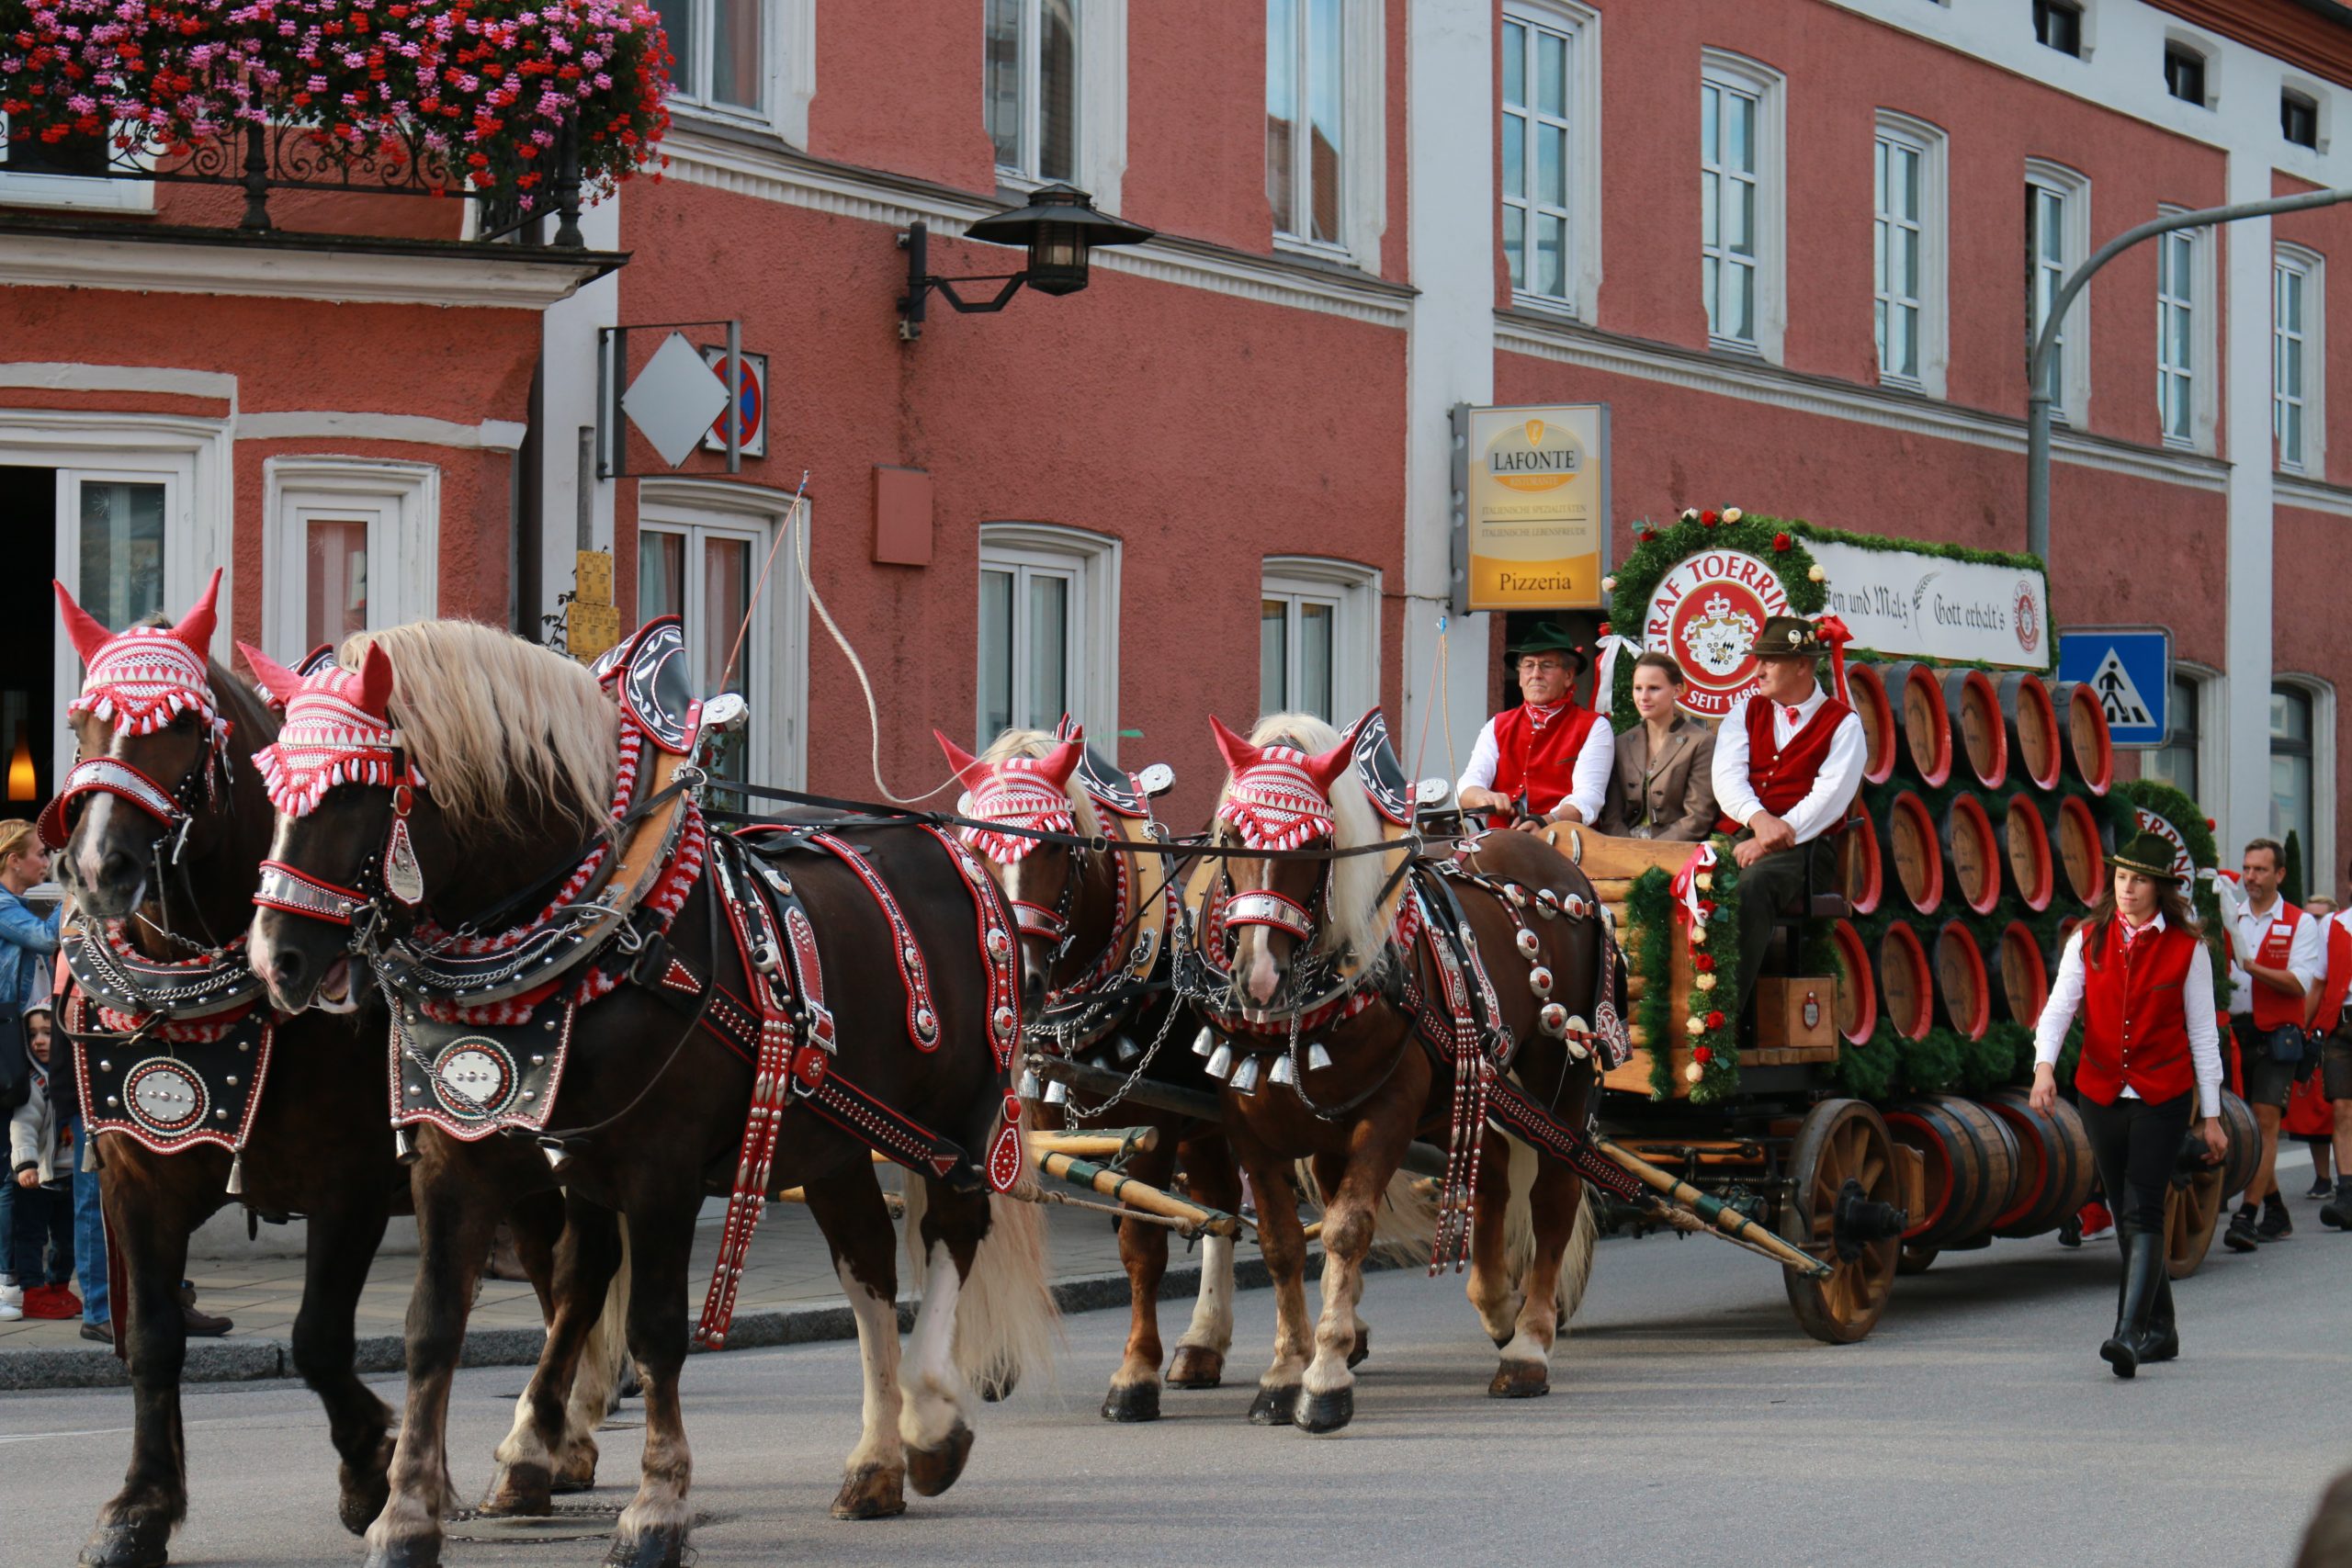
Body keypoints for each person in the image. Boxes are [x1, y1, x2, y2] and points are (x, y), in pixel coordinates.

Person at [2029, 833, 2225, 1378]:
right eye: (2121, 878)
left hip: (2162, 1094)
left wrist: (2210, 1117)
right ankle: (2163, 1328)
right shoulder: (2088, 938)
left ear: (2160, 888)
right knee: (2124, 1212)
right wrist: (2044, 1068)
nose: (2128, 889)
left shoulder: (2190, 950)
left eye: (2139, 880)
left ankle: (2128, 1334)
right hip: (2099, 1092)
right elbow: (2059, 1007)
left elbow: (2203, 1035)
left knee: (2141, 1208)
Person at [1709, 615, 1866, 1009]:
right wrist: (1759, 823)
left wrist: (1771, 840)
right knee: (1686, 880)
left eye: (1770, 661)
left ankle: (1722, 1017)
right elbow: (1727, 779)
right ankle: (1672, 1011)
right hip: (1742, 831)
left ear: (1801, 665)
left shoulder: (1843, 724)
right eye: (1758, 659)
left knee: (1751, 885)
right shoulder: (1745, 712)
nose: (1758, 670)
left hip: (1807, 849)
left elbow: (1828, 800)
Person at [2218, 838, 2324, 1251]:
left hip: (2277, 1036)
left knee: (2265, 1123)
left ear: (2280, 874)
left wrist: (2252, 966)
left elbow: (2299, 982)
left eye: (2260, 870)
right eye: (2246, 869)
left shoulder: (2301, 922)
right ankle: (2276, 1208)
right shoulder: (2232, 915)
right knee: (2246, 1128)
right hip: (2234, 1033)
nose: (2250, 878)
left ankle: (2247, 1216)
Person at [1454, 625, 1615, 831]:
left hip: (1568, 846)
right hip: (1502, 845)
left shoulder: (1594, 726)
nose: (1536, 674)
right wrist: (1484, 796)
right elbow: (1468, 783)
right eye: (1529, 665)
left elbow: (1589, 798)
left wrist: (1546, 821)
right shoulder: (1497, 725)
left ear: (1568, 676)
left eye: (1547, 665)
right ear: (1520, 677)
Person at [1594, 652, 1719, 841]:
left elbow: (1697, 818)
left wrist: (1652, 854)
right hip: (1622, 849)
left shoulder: (1700, 742)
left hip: (1675, 850)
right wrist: (1624, 851)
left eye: (1654, 688)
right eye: (1638, 688)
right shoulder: (1622, 742)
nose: (1643, 697)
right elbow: (1612, 816)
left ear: (1677, 691)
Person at [6, 1006, 79, 1321]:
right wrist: (25, 1165)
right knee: (31, 1236)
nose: (39, 1041)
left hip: (73, 1174)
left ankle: (59, 1286)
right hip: (38, 1177)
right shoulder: (35, 1084)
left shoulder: (75, 1079)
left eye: (48, 1033)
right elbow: (22, 1126)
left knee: (69, 1238)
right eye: (32, 1034)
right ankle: (33, 1291)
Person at [2289, 895, 2345, 1198]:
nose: (2314, 922)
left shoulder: (2339, 936)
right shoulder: (2307, 946)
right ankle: (2324, 1177)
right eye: (2309, 916)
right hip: (2318, 1028)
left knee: (2341, 1110)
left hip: (2336, 1023)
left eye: (2320, 917)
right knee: (2317, 1109)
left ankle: (2343, 1178)